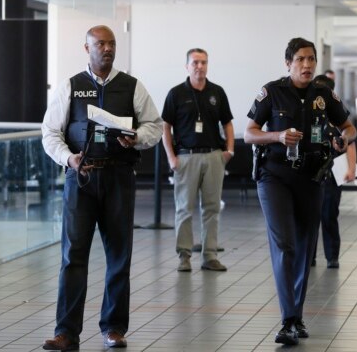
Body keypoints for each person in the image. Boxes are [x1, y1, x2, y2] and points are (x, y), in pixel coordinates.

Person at [41, 25, 163, 350]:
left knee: (119, 256)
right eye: (100, 44)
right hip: (80, 179)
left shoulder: (132, 86)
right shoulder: (71, 86)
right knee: (73, 256)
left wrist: (137, 137)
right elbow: (50, 133)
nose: (106, 49)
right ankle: (66, 333)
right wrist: (68, 159)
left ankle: (114, 329)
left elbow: (155, 125)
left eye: (111, 44)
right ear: (87, 48)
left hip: (119, 178)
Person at [244, 37, 356, 346]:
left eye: (311, 60)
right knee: (286, 245)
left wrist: (343, 140)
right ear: (288, 63)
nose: (307, 65)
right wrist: (278, 136)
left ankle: (296, 315)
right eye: (300, 60)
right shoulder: (273, 91)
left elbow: (349, 127)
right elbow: (248, 133)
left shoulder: (324, 94)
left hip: (311, 177)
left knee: (306, 248)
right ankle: (289, 319)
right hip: (274, 177)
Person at [161, 48, 234, 273]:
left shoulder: (217, 92)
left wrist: (229, 151)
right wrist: (171, 157)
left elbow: (227, 123)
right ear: (187, 66)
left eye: (203, 62)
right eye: (195, 63)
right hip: (186, 157)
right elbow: (166, 127)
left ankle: (210, 255)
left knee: (212, 208)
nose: (199, 66)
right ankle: (184, 256)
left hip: (213, 156)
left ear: (207, 65)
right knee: (184, 208)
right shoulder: (176, 94)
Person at [311, 74, 357, 269]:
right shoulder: (308, 110)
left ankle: (332, 256)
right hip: (312, 166)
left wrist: (351, 168)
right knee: (311, 216)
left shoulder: (338, 111)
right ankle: (309, 256)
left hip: (334, 166)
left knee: (329, 214)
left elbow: (351, 142)